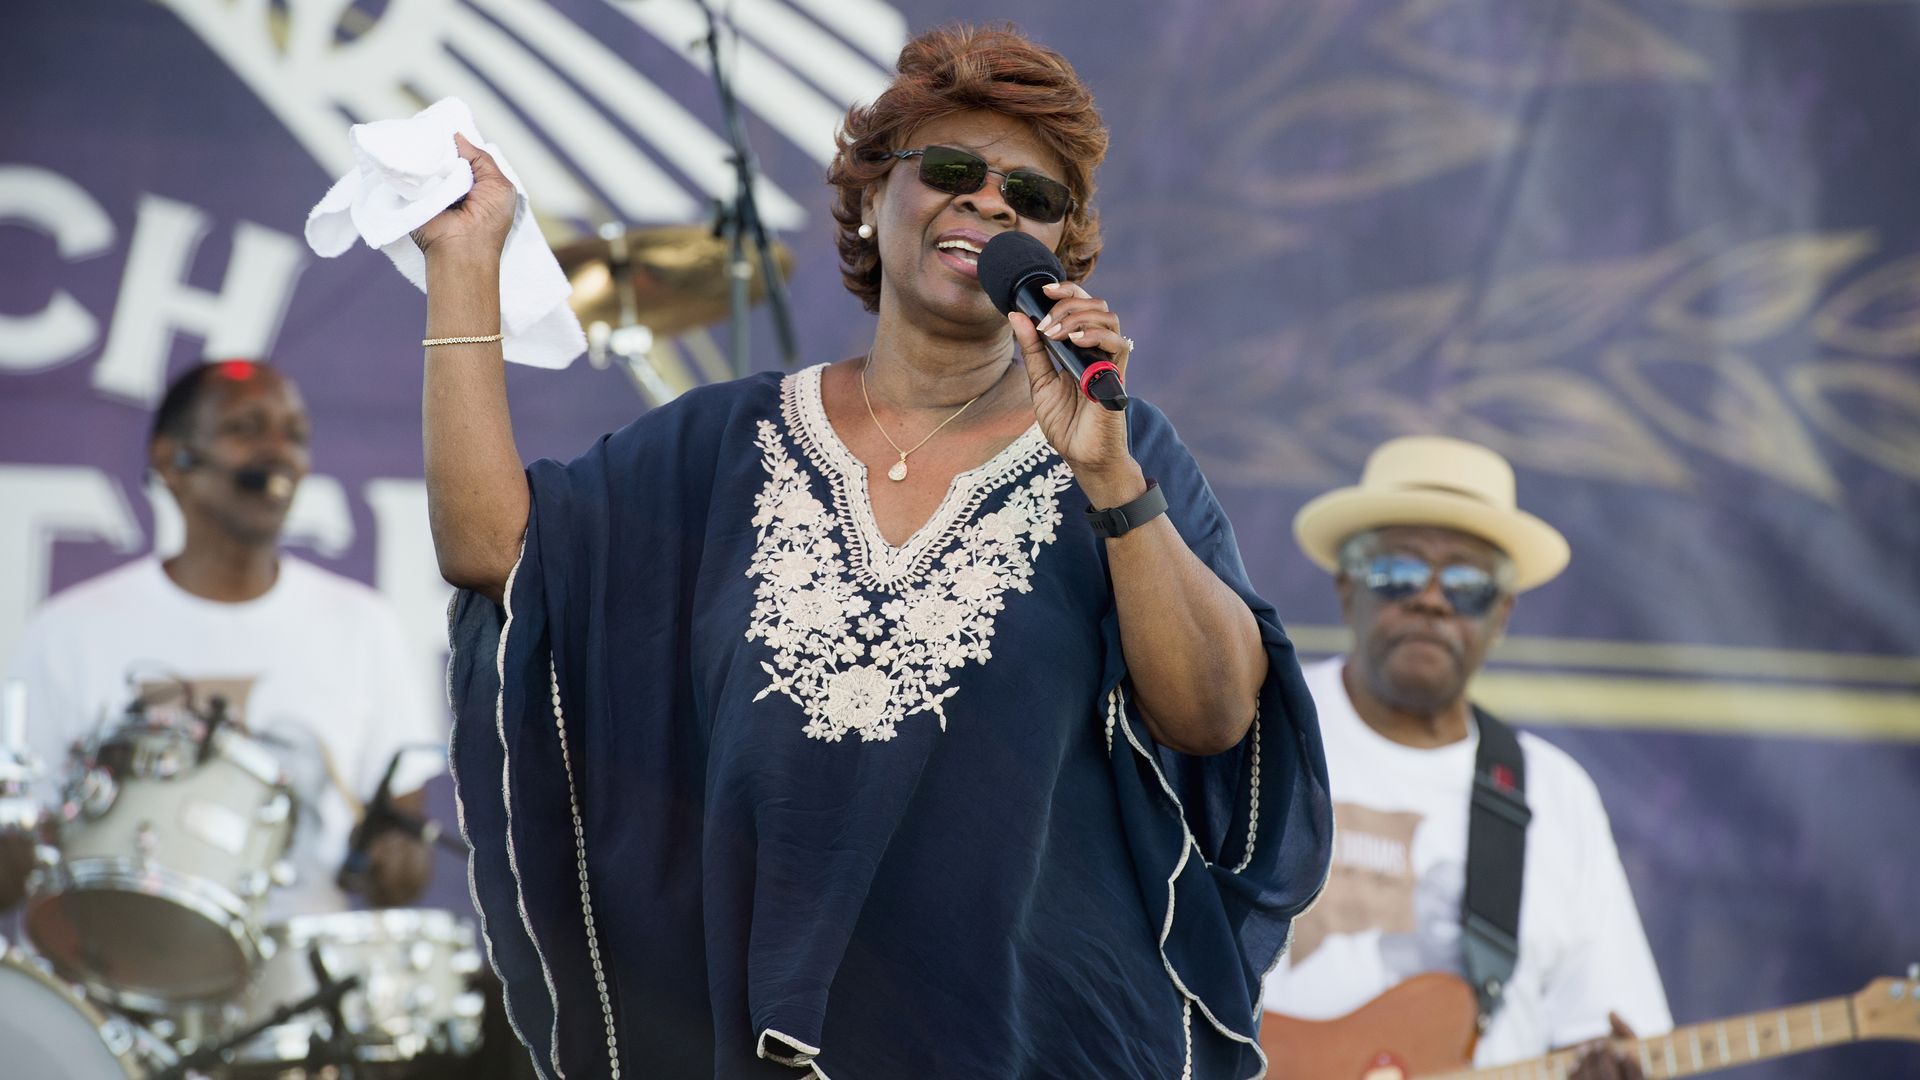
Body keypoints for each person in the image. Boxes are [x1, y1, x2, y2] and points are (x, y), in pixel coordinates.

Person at [416, 22, 1332, 1080]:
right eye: (950, 170)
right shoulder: (723, 445)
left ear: (1058, 252)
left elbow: (1215, 716)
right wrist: (463, 261)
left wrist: (1112, 479)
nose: (989, 202)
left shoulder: (1120, 452)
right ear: (865, 199)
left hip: (1031, 1043)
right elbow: (491, 547)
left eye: (1031, 198)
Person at [1259, 435, 1672, 1078]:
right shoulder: (1260, 724)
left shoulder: (1552, 792)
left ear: (1502, 615)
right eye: (1396, 572)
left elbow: (1608, 1023)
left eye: (1468, 584)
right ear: (1347, 587)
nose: (1430, 599)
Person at [0, 360, 444, 921]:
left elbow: (400, 862)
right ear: (172, 460)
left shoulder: (362, 624)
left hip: (301, 994)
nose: (279, 451)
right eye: (245, 429)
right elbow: (12, 864)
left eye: (296, 435)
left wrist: (396, 859)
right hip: (107, 984)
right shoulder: (67, 630)